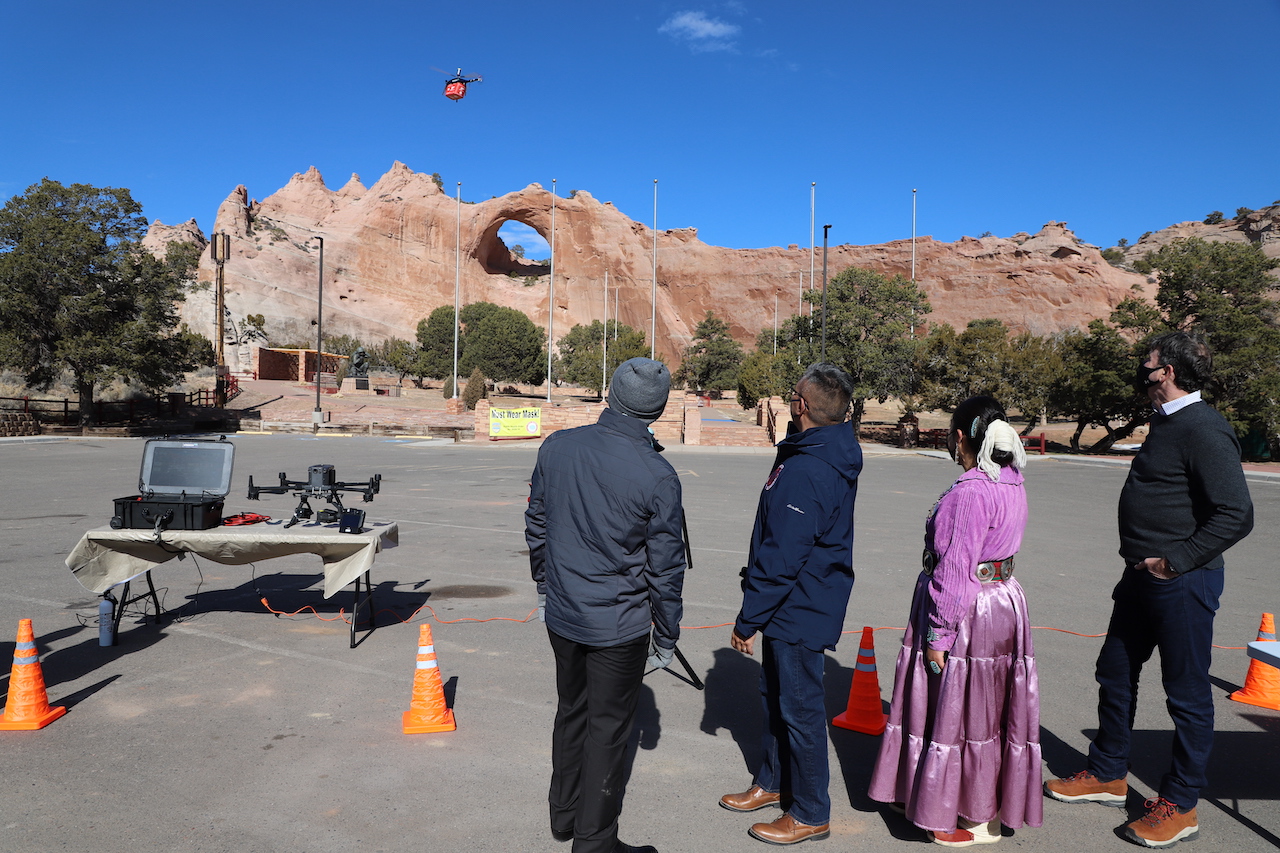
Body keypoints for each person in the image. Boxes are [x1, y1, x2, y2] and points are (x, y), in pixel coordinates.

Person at [1044, 331, 1254, 849]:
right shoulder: (1167, 422)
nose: (1142, 370)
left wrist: (1176, 561)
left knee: (1185, 695)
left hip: (1181, 582)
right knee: (1114, 672)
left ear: (1170, 372)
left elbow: (1236, 513)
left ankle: (1180, 806)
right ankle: (1109, 772)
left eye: (1149, 364)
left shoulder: (1203, 427)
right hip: (1139, 577)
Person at [525, 356, 687, 853]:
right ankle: (594, 840)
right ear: (656, 412)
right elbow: (665, 567)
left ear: (611, 397)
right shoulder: (657, 474)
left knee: (571, 710)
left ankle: (565, 815)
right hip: (617, 623)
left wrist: (545, 585)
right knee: (608, 729)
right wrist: (668, 631)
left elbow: (537, 526)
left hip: (566, 612)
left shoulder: (558, 447)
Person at [868, 395, 1042, 847]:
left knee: (955, 710)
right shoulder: (1011, 479)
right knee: (988, 712)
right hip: (1004, 601)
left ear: (960, 436)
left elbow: (954, 568)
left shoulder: (970, 490)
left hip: (969, 609)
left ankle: (956, 812)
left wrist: (938, 634)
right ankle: (981, 808)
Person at [720, 362, 863, 846]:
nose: (789, 401)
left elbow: (784, 554)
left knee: (800, 711)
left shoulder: (809, 468)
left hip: (799, 607)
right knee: (776, 701)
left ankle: (810, 811)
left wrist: (748, 618)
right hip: (793, 603)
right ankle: (773, 781)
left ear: (802, 406)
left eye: (792, 395)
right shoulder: (810, 451)